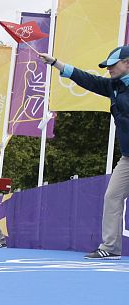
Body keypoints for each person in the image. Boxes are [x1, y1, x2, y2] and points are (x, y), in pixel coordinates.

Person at [39, 47, 129, 259]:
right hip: (127, 157)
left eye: (112, 65)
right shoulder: (113, 86)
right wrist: (56, 63)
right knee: (112, 197)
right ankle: (110, 248)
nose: (108, 70)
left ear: (127, 63)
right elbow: (86, 79)